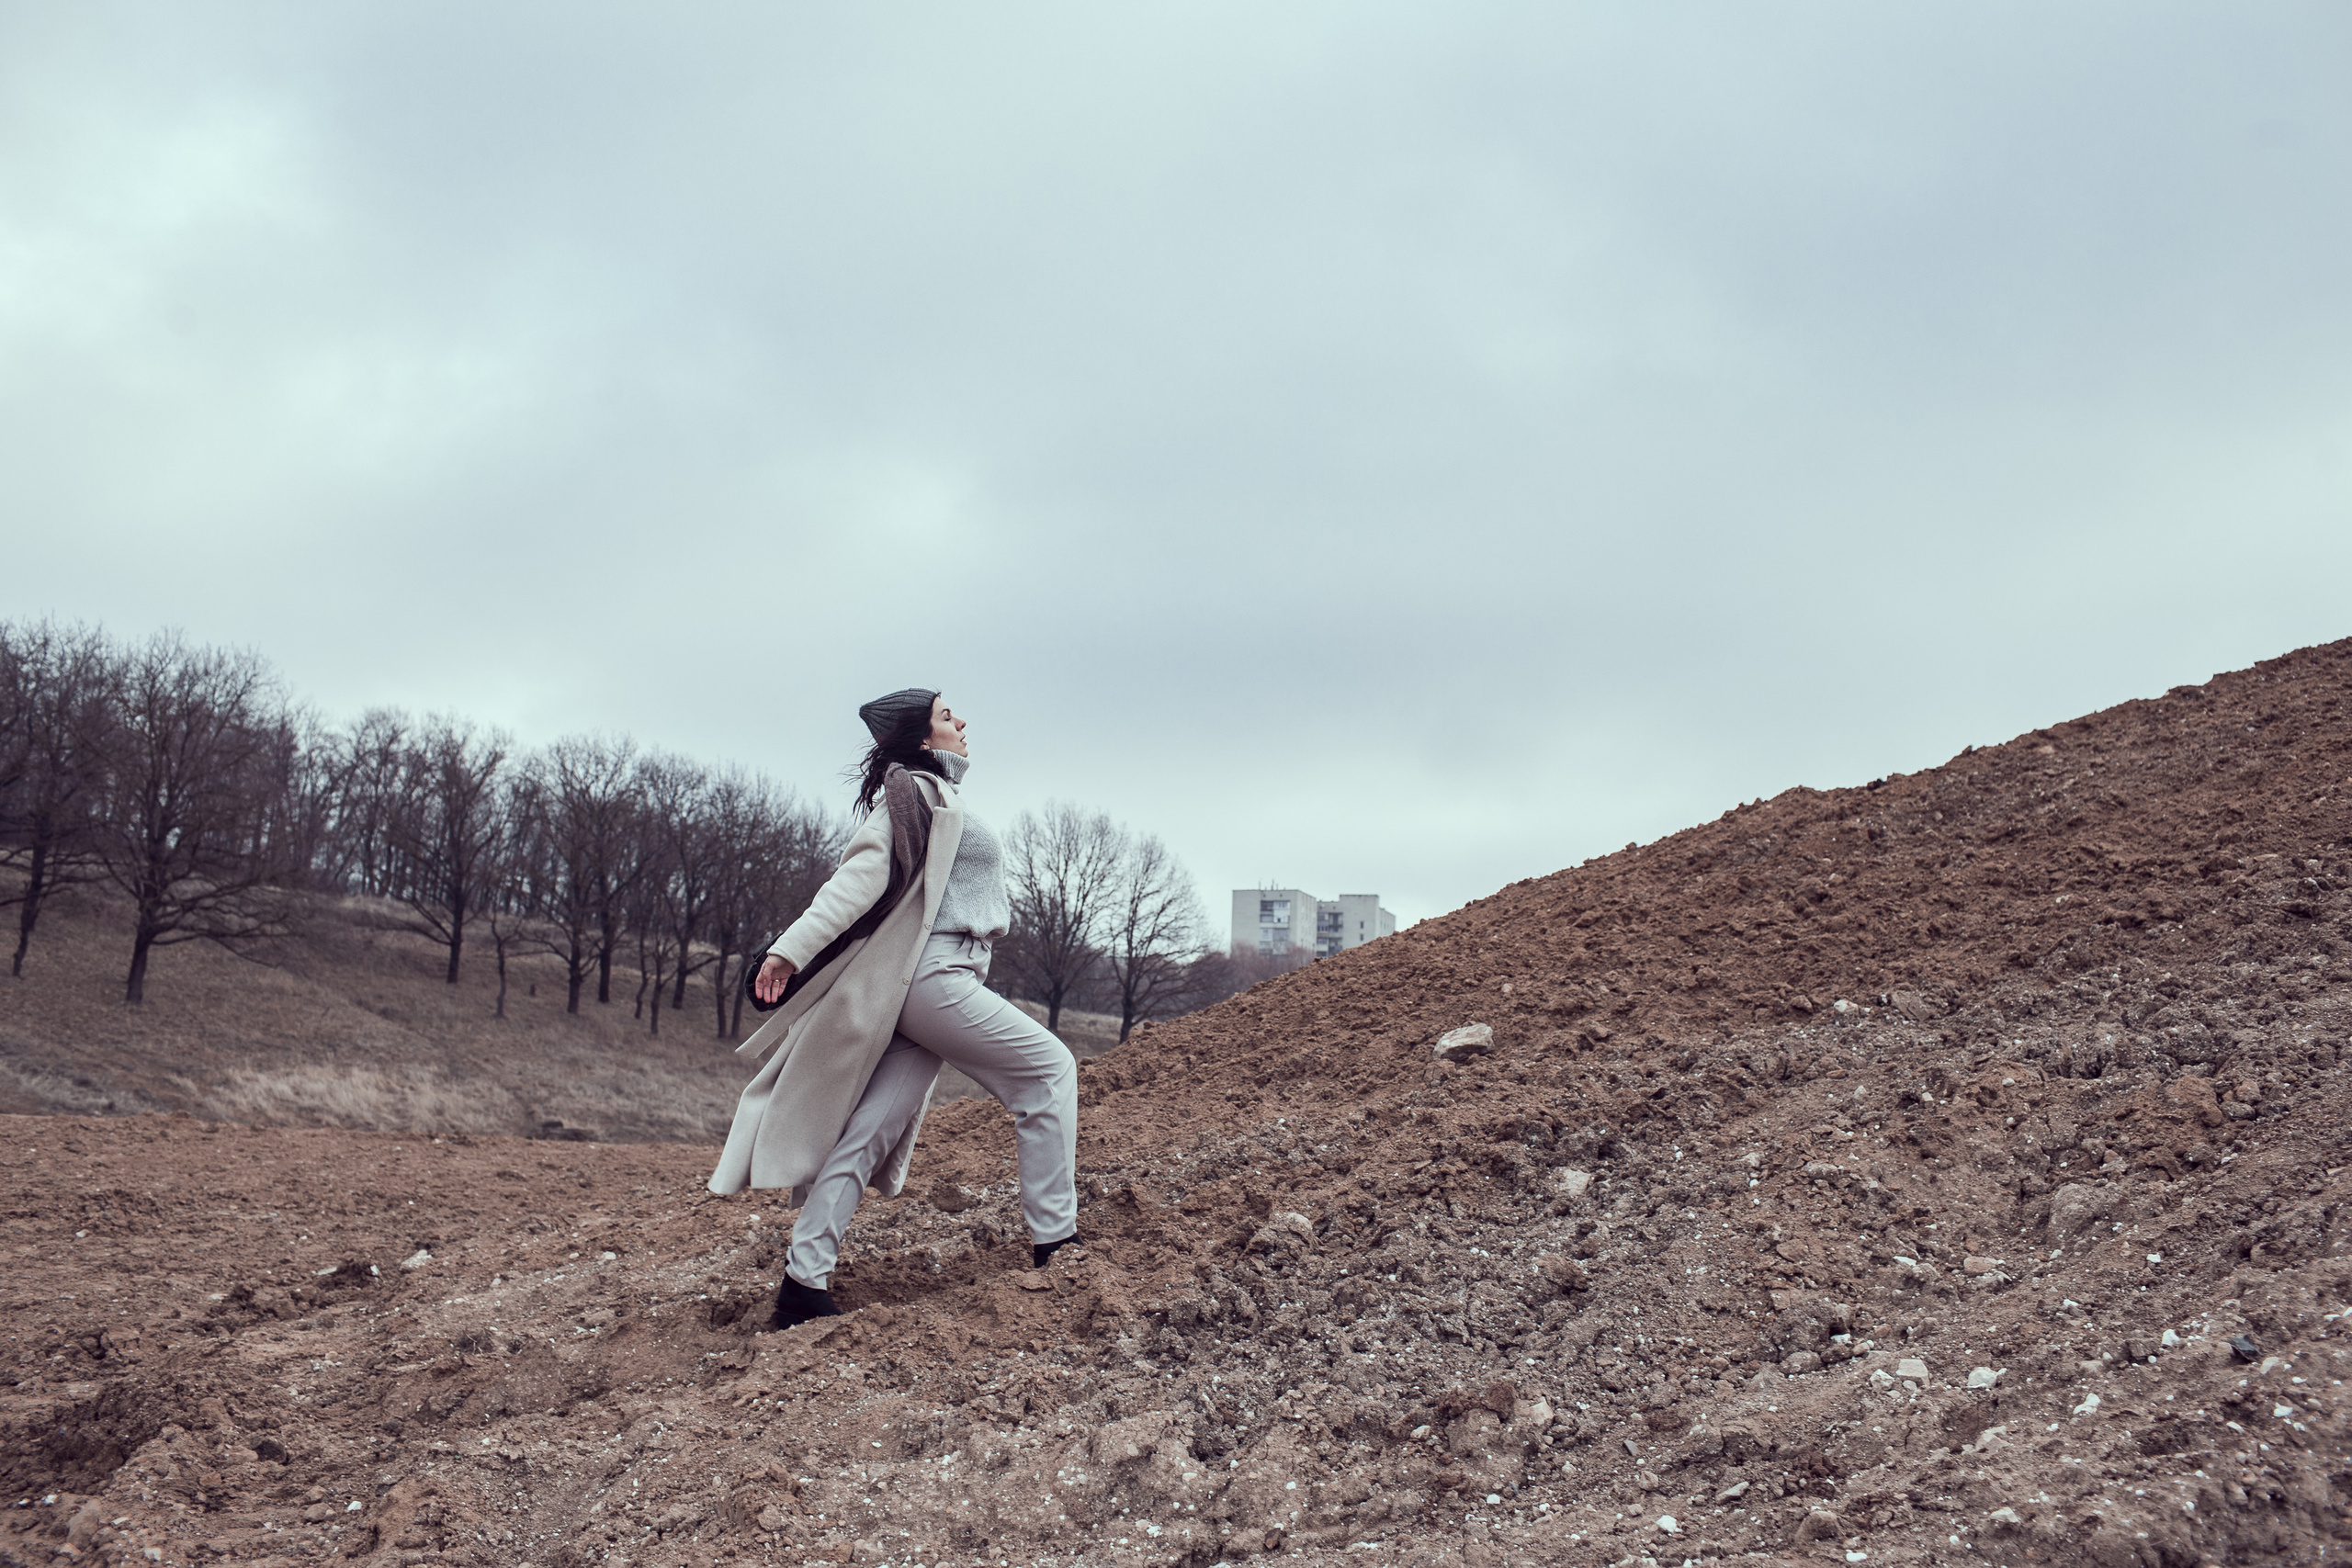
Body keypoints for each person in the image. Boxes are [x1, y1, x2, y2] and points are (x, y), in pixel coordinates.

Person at [707, 688, 1084, 1328]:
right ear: (919, 738)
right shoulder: (909, 793)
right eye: (946, 716)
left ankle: (804, 1281)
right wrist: (787, 951)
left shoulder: (939, 795)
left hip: (942, 976)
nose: (961, 722)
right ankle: (1056, 1240)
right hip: (935, 977)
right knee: (1049, 1070)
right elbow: (856, 879)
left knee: (867, 1133)